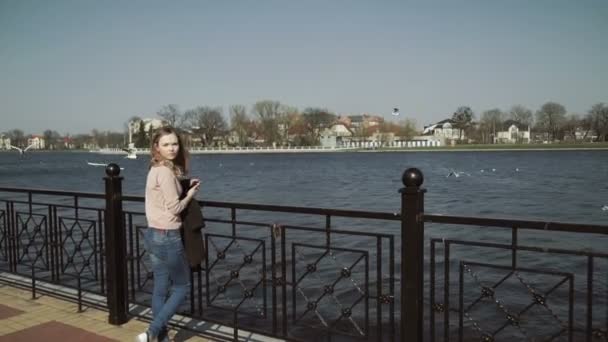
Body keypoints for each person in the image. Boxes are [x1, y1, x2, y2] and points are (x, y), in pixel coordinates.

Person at [136, 127, 201, 342]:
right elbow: (175, 207)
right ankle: (153, 331)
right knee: (182, 286)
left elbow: (164, 196)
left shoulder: (155, 169)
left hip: (153, 234)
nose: (172, 148)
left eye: (174, 144)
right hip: (168, 236)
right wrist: (190, 194)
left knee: (161, 288)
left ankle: (160, 338)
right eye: (166, 144)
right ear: (156, 147)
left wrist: (183, 185)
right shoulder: (164, 172)